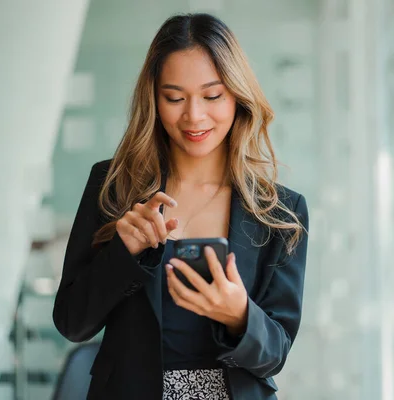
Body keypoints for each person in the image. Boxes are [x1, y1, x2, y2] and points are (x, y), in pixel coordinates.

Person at [52, 12, 309, 400]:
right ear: (154, 99)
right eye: (174, 98)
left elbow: (275, 354)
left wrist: (240, 315)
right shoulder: (113, 189)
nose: (194, 116)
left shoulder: (279, 212)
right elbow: (73, 323)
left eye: (212, 96)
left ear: (237, 96)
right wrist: (124, 254)